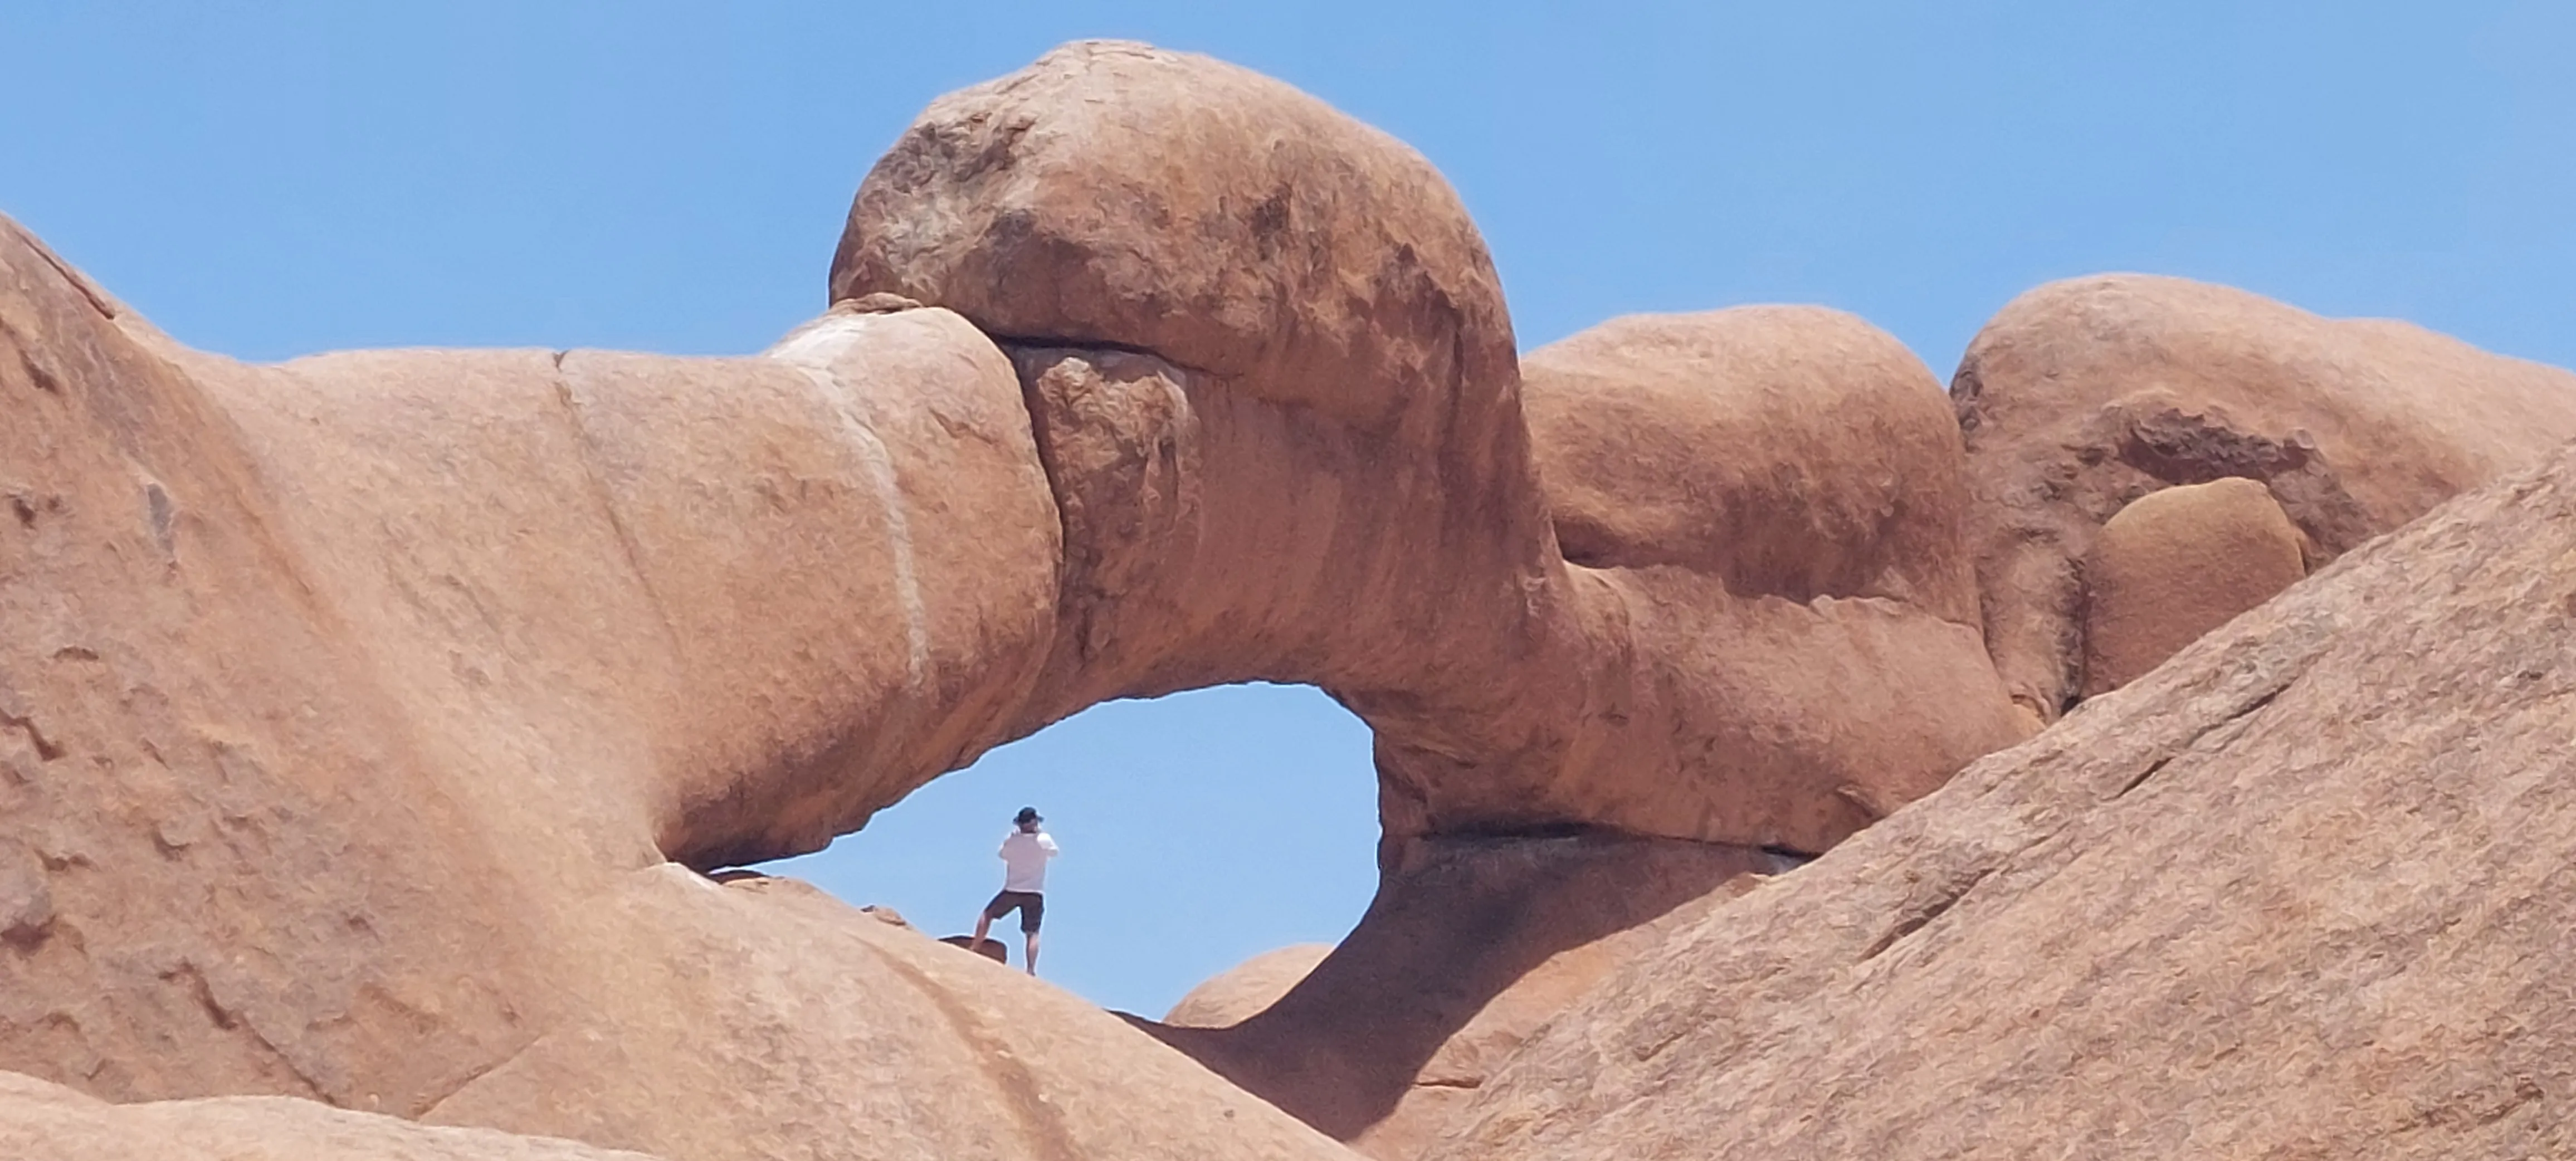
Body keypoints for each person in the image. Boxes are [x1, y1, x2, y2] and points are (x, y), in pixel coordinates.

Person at [971, 806, 1058, 975]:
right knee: (1032, 932)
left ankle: (975, 947)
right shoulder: (1044, 840)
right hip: (1034, 891)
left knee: (988, 914)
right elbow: (1054, 853)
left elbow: (1002, 855)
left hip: (1013, 889)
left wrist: (1016, 840)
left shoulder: (1013, 840)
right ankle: (1031, 969)